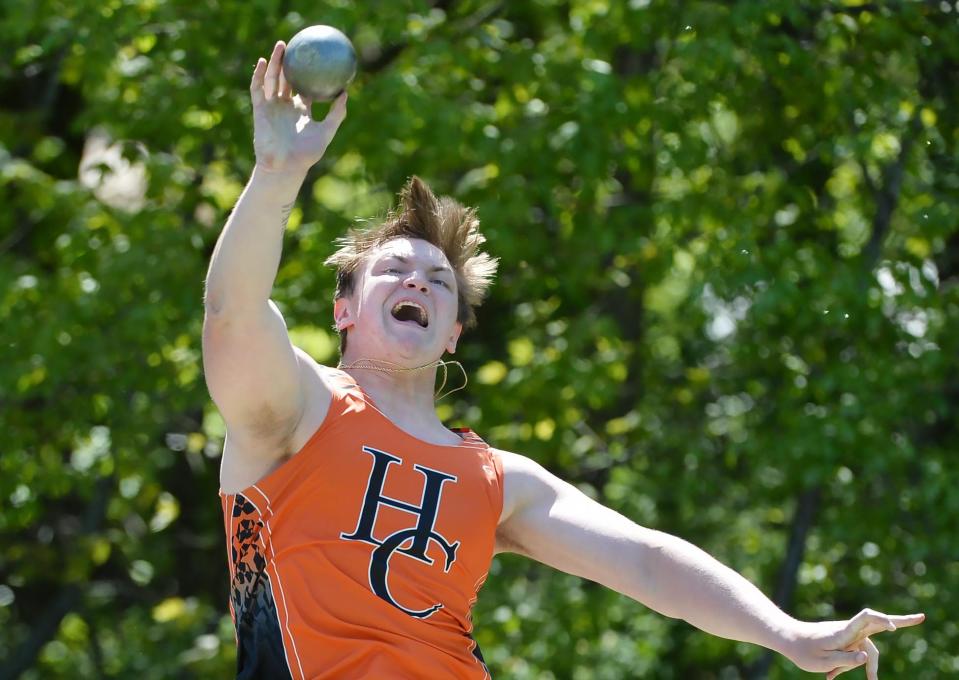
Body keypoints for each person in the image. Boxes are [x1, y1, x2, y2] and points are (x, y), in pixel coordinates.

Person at [201, 40, 924, 680]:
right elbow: (232, 313)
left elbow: (647, 561)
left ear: (452, 332)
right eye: (392, 270)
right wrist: (276, 171)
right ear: (344, 311)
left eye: (439, 281)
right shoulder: (295, 409)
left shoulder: (496, 481)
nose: (417, 280)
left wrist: (788, 632)